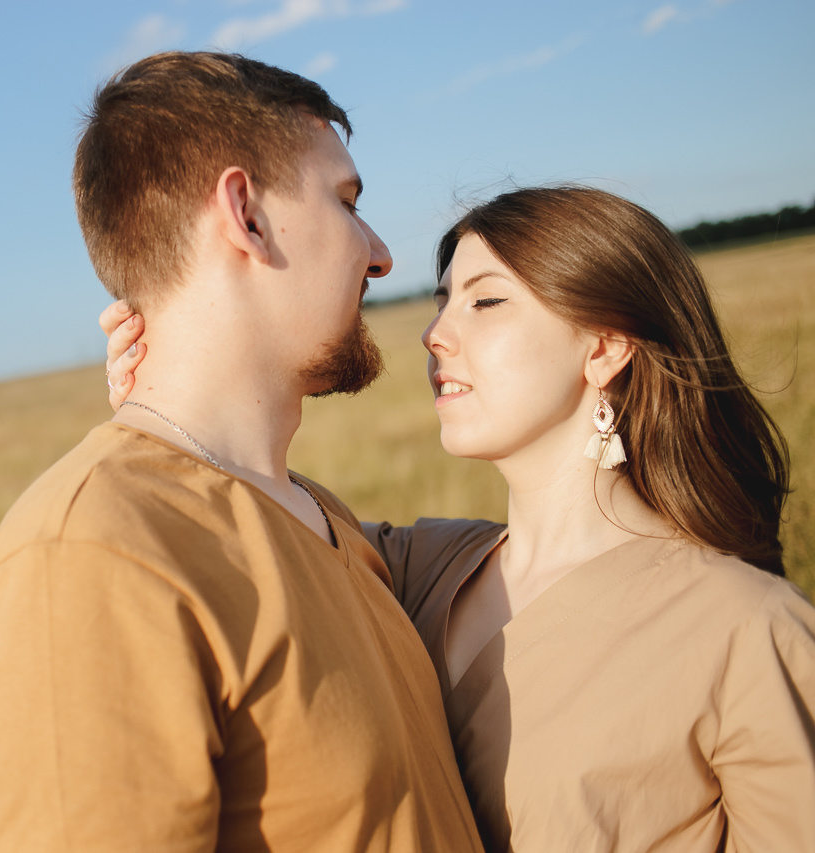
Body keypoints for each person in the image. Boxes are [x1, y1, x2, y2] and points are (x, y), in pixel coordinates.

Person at [103, 185, 815, 851]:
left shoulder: (749, 630)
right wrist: (168, 401)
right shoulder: (413, 573)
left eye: (486, 302)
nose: (435, 333)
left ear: (604, 347)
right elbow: (247, 505)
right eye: (443, 301)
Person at [0, 51, 482, 852]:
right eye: (344, 200)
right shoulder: (86, 564)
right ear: (247, 215)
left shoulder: (313, 513)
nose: (379, 253)